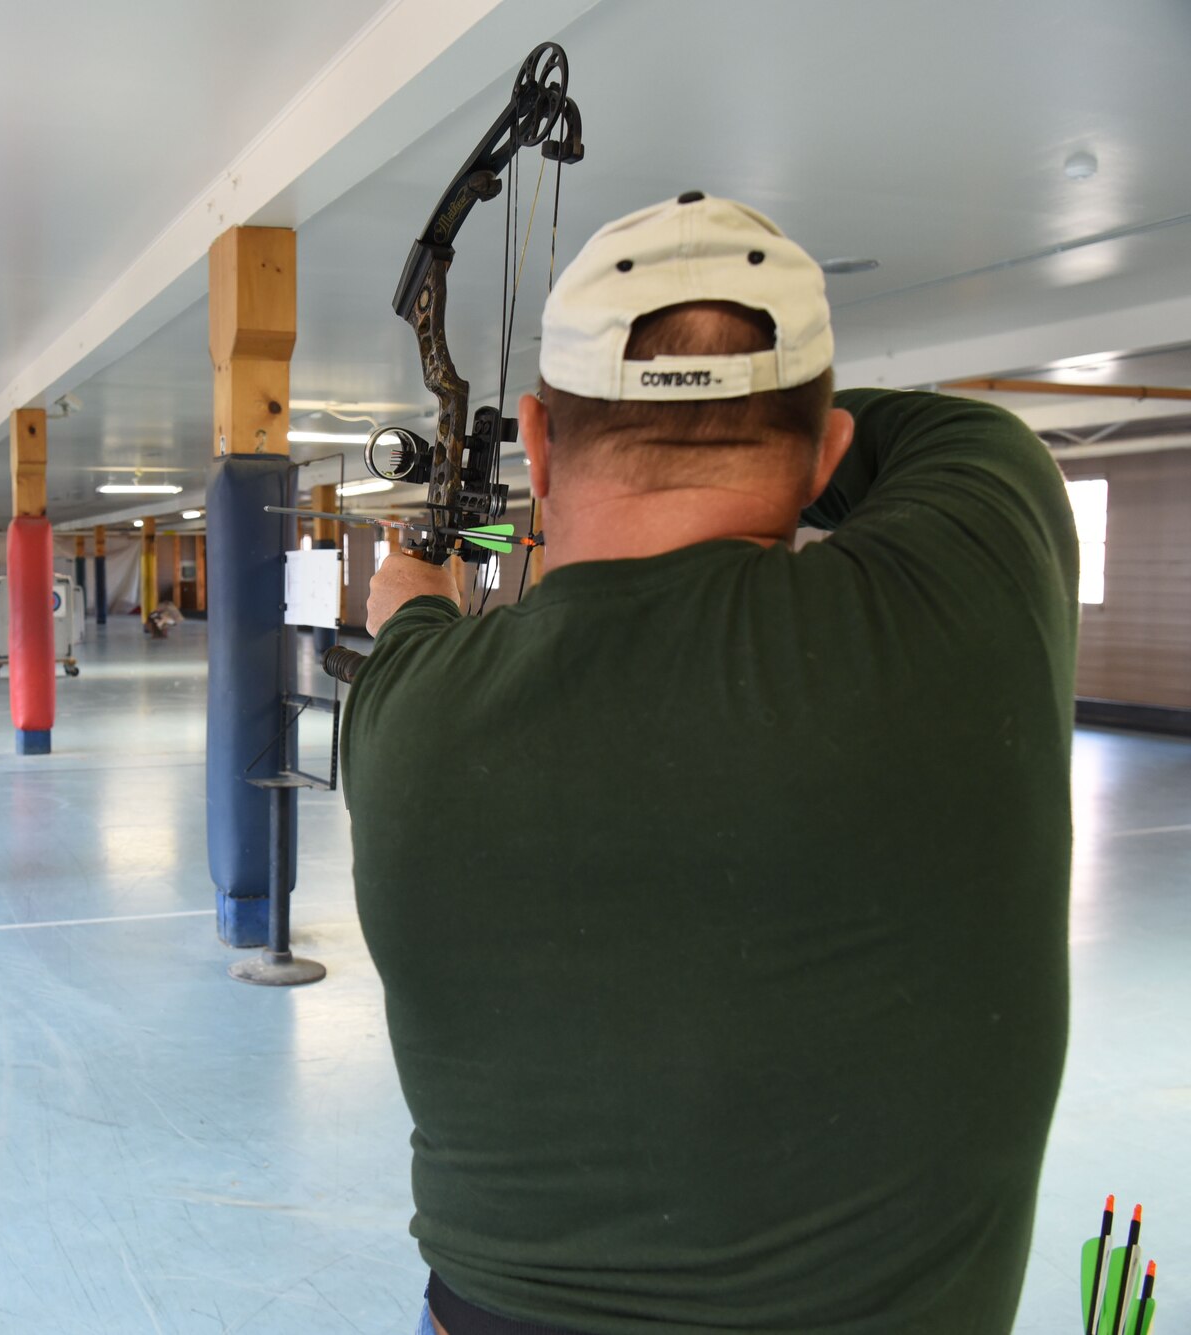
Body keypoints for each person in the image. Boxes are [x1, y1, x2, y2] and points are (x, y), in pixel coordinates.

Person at [342, 193, 1077, 1334]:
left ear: (535, 439)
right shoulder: (966, 591)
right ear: (826, 448)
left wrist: (419, 586)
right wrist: (752, 412)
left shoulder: (406, 710)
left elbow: (419, 608)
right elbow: (943, 434)